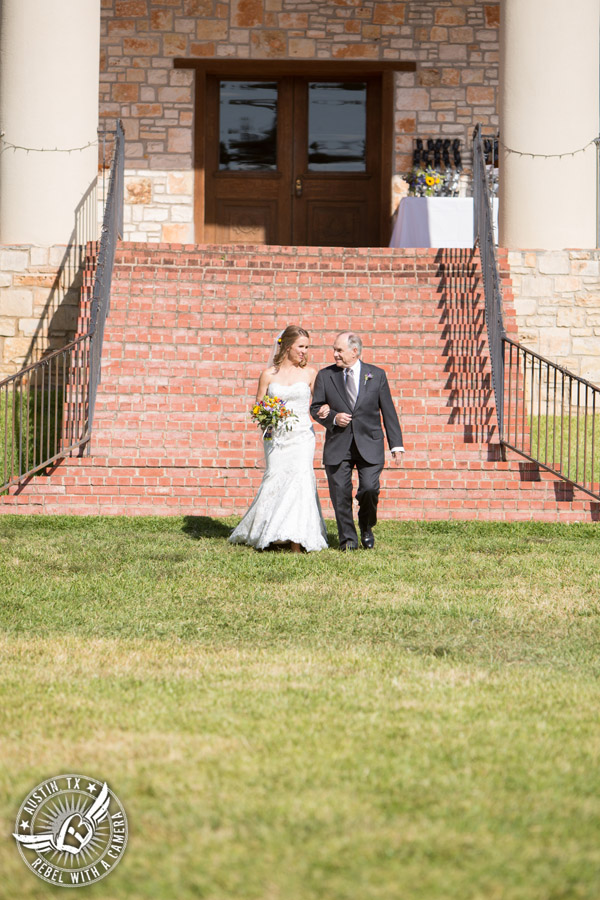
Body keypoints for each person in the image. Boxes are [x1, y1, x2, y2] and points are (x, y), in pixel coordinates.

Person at [229, 325, 328, 553]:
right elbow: (258, 406)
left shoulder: (310, 373)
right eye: (301, 347)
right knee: (276, 479)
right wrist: (267, 415)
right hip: (276, 438)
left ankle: (297, 540)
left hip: (302, 436)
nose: (304, 351)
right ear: (287, 346)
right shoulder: (268, 374)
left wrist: (326, 409)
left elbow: (319, 402)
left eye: (307, 347)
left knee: (300, 480)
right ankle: (272, 534)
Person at [310, 331, 404, 551]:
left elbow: (388, 411)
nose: (335, 354)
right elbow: (316, 408)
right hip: (338, 445)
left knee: (370, 489)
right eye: (334, 350)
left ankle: (366, 526)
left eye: (339, 350)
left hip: (370, 443)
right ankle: (348, 540)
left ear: (354, 351)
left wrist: (396, 444)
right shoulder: (325, 376)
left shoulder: (376, 375)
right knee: (340, 493)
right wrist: (334, 417)